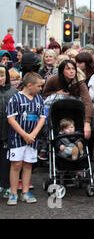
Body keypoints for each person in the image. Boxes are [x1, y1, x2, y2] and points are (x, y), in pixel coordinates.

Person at [6, 72, 45, 205]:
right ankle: (13, 193)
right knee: (16, 164)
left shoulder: (39, 99)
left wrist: (33, 134)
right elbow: (11, 119)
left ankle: (25, 191)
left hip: (32, 138)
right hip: (17, 137)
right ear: (29, 85)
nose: (40, 89)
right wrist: (24, 134)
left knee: (28, 164)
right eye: (39, 86)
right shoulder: (15, 98)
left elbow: (42, 118)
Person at [42, 60, 93, 140]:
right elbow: (44, 94)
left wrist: (87, 123)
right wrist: (56, 93)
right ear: (62, 71)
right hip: (56, 109)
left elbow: (87, 101)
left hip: (75, 109)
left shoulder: (79, 81)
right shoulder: (53, 79)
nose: (71, 71)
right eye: (68, 69)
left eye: (73, 68)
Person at [0, 64, 18, 199]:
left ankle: (6, 185)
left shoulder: (13, 92)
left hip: (8, 133)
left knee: (6, 161)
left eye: (2, 75)